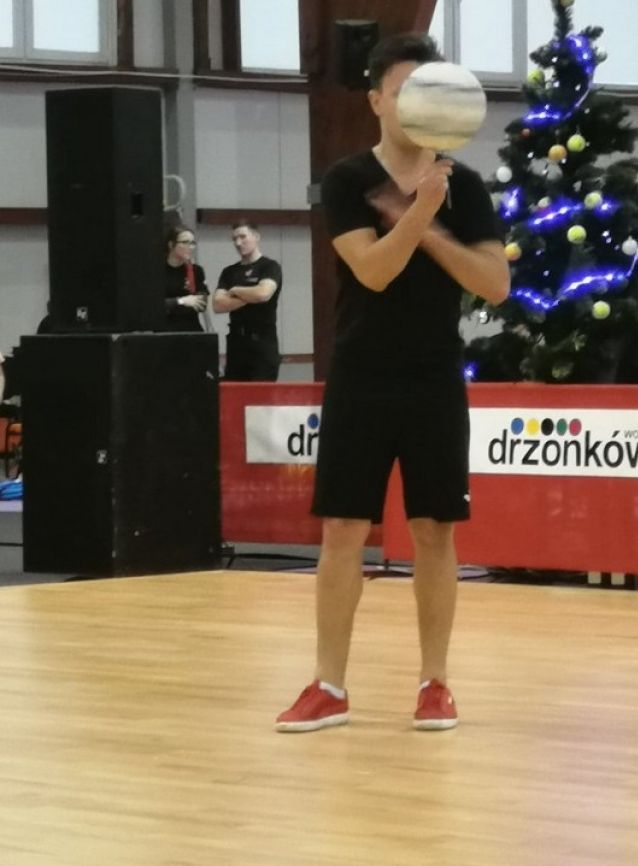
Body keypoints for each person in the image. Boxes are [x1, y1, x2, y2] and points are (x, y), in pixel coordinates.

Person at [275, 33, 510, 734]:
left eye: (426, 91)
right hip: (361, 372)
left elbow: (494, 283)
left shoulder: (464, 186)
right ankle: (329, 685)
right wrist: (418, 213)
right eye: (403, 92)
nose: (414, 105)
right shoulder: (347, 180)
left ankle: (436, 684)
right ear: (378, 100)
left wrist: (428, 220)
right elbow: (374, 271)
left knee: (434, 529)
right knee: (343, 528)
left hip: (435, 374)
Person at [212, 222, 283, 380]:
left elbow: (263, 294)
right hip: (236, 343)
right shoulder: (229, 272)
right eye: (234, 239)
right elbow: (218, 305)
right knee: (234, 391)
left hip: (262, 342)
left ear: (256, 237)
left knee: (260, 392)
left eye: (243, 237)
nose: (238, 243)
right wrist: (251, 294)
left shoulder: (270, 267)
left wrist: (235, 290)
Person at [163, 224, 209, 332]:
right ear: (171, 245)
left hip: (191, 329)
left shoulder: (196, 270)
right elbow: (153, 306)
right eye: (185, 242)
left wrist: (170, 305)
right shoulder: (156, 271)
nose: (191, 247)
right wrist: (182, 301)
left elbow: (201, 304)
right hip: (164, 330)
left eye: (192, 243)